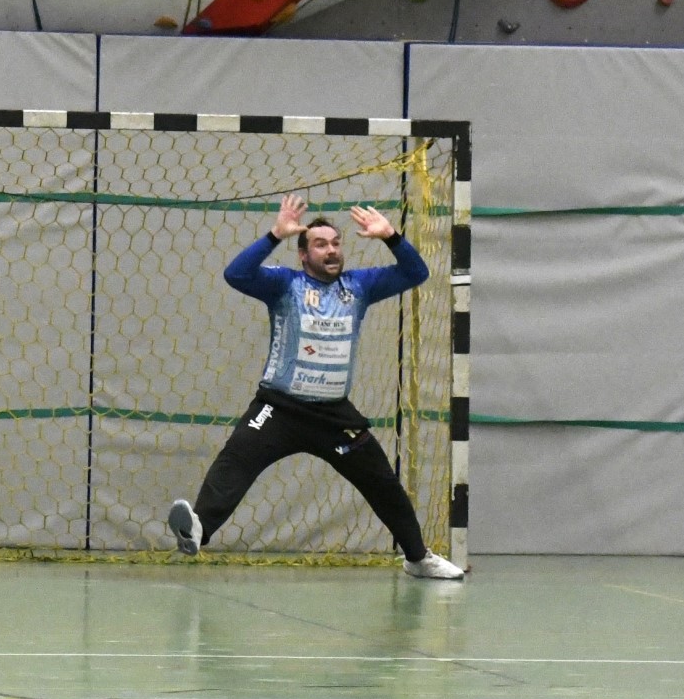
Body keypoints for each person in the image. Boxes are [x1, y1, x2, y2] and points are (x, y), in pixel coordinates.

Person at [166, 195, 465, 579]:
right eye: (321, 244)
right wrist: (275, 234)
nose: (332, 250)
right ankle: (198, 530)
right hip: (279, 407)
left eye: (336, 243)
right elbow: (236, 274)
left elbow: (415, 273)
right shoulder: (284, 284)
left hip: (333, 416)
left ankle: (418, 558)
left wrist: (391, 237)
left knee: (382, 483)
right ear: (303, 255)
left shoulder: (360, 286)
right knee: (236, 459)